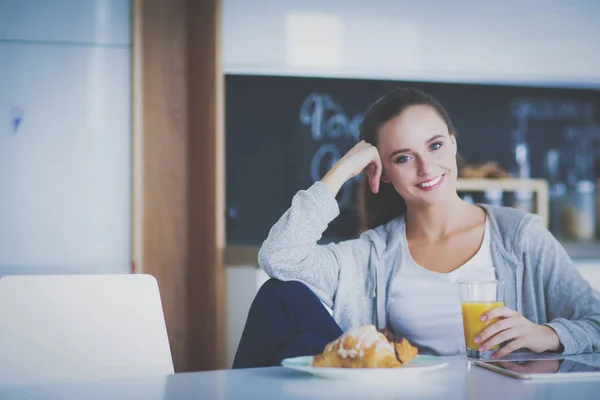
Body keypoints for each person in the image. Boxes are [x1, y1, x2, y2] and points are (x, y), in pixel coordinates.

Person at [232, 87, 600, 369]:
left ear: (453, 144)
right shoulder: (374, 254)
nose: (426, 169)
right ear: (385, 173)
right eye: (403, 158)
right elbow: (279, 259)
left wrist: (546, 334)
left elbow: (596, 323)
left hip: (500, 392)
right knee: (280, 297)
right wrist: (342, 170)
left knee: (295, 351)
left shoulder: (520, 237)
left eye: (436, 146)